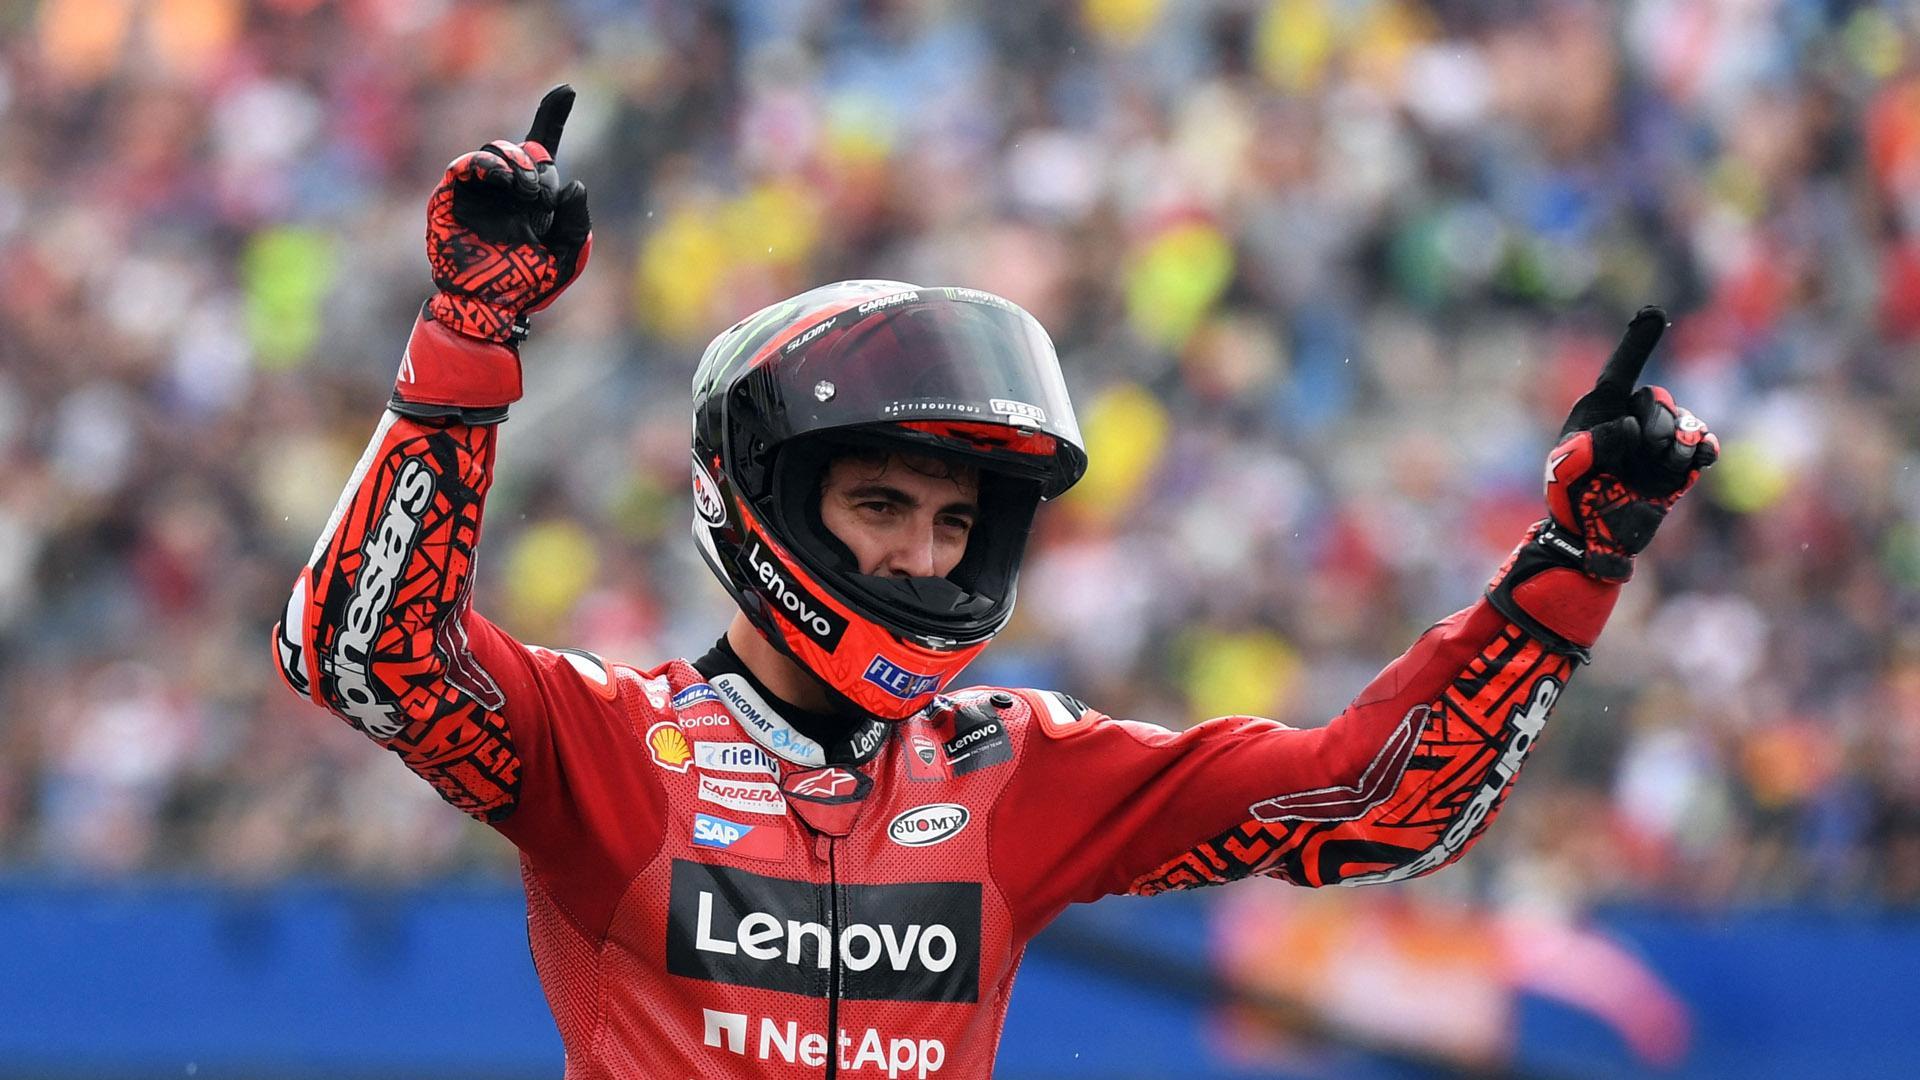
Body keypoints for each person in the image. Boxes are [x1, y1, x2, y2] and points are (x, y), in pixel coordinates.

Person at [273, 87, 1718, 1079]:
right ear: (765, 504)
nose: (919, 553)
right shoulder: (596, 742)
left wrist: (1575, 563)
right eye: (880, 502)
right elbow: (357, 652)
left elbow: (1382, 811)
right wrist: (466, 340)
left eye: (954, 522)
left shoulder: (1021, 770)